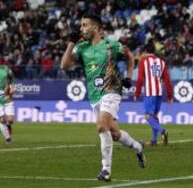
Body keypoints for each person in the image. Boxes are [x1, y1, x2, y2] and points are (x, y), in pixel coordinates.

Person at [60, 13, 146, 182]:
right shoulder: (81, 47)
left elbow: (129, 56)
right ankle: (137, 147)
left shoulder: (111, 45)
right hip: (94, 94)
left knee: (101, 126)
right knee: (113, 133)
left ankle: (106, 170)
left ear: (96, 28)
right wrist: (71, 43)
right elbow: (64, 65)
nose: (81, 28)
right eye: (81, 25)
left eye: (85, 25)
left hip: (112, 89)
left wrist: (129, 77)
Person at [134, 47, 173, 146]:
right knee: (154, 116)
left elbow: (140, 78)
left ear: (145, 52)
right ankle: (154, 140)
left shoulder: (144, 61)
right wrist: (170, 96)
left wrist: (137, 93)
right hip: (159, 92)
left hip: (150, 92)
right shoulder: (161, 62)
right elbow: (167, 80)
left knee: (147, 116)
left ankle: (163, 131)